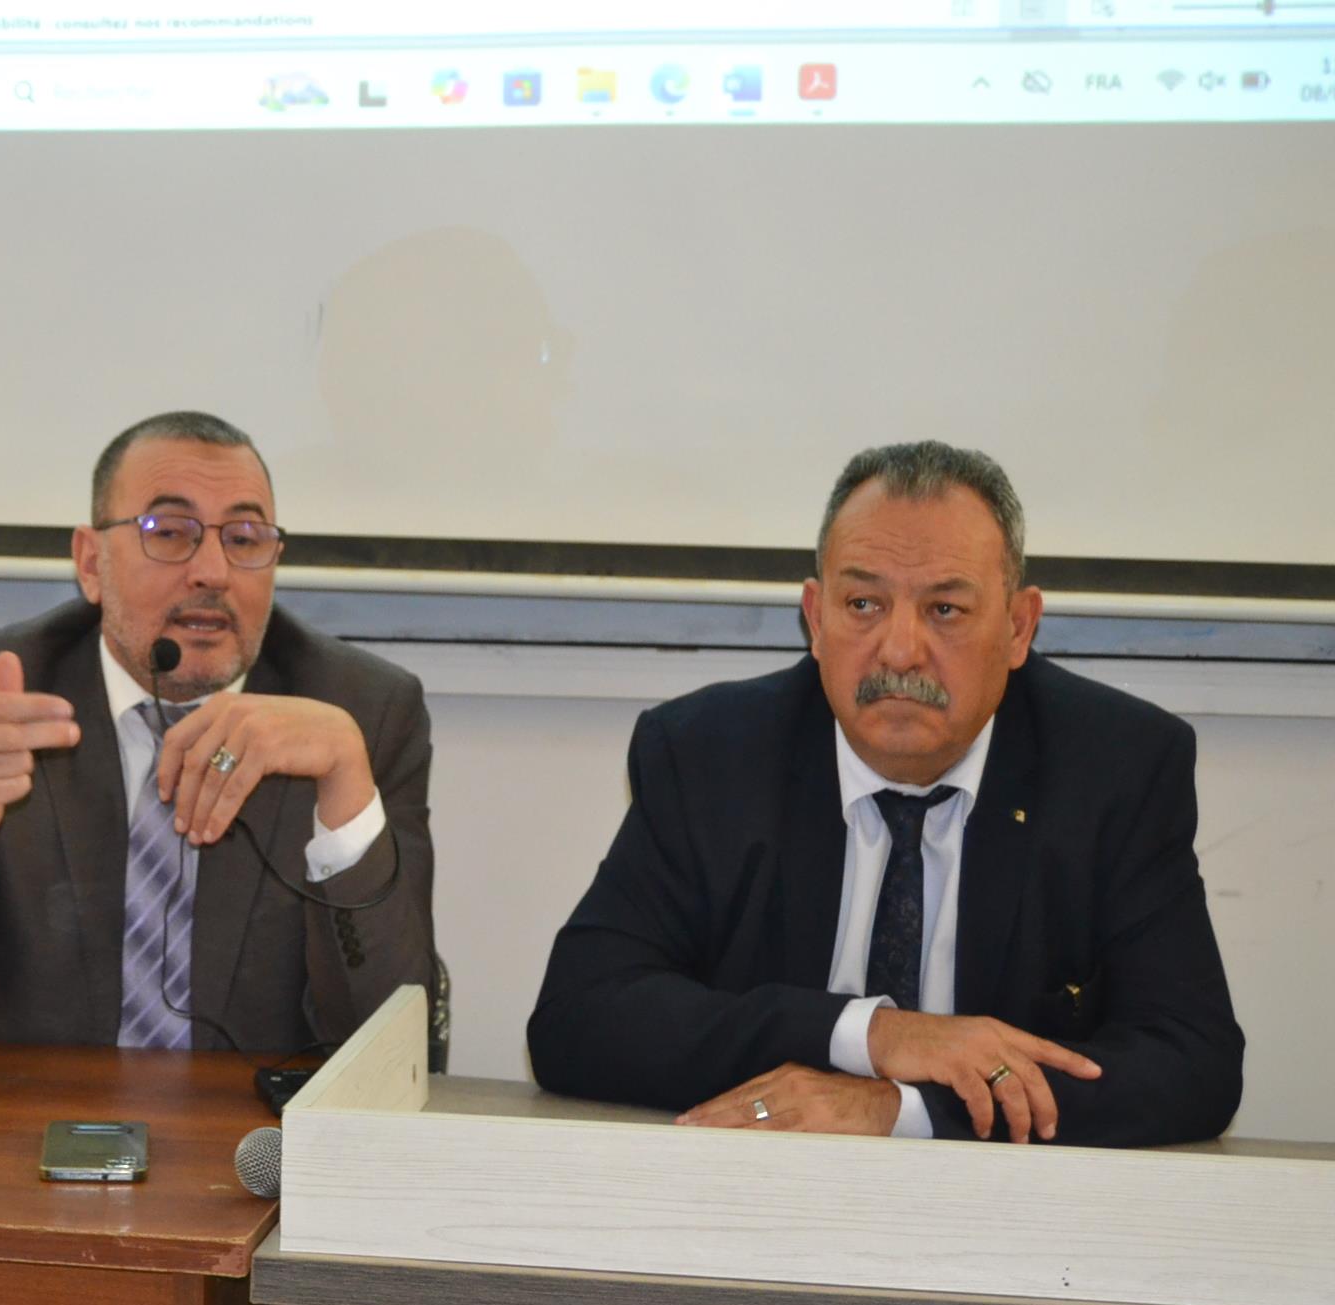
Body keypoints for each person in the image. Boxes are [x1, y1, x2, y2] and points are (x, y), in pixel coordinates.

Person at [528, 441, 1242, 1147]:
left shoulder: (1118, 769)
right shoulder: (709, 756)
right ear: (816, 618)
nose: (900, 651)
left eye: (945, 610)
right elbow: (578, 1017)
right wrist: (873, 1034)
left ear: (1018, 627)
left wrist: (901, 1109)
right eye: (863, 603)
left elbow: (1192, 1062)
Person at [0, 411, 435, 1056]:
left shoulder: (363, 714)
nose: (213, 571)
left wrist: (345, 791)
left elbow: (394, 1049)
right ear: (91, 562)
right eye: (170, 532)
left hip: (253, 1118)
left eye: (244, 538)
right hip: (35, 1113)